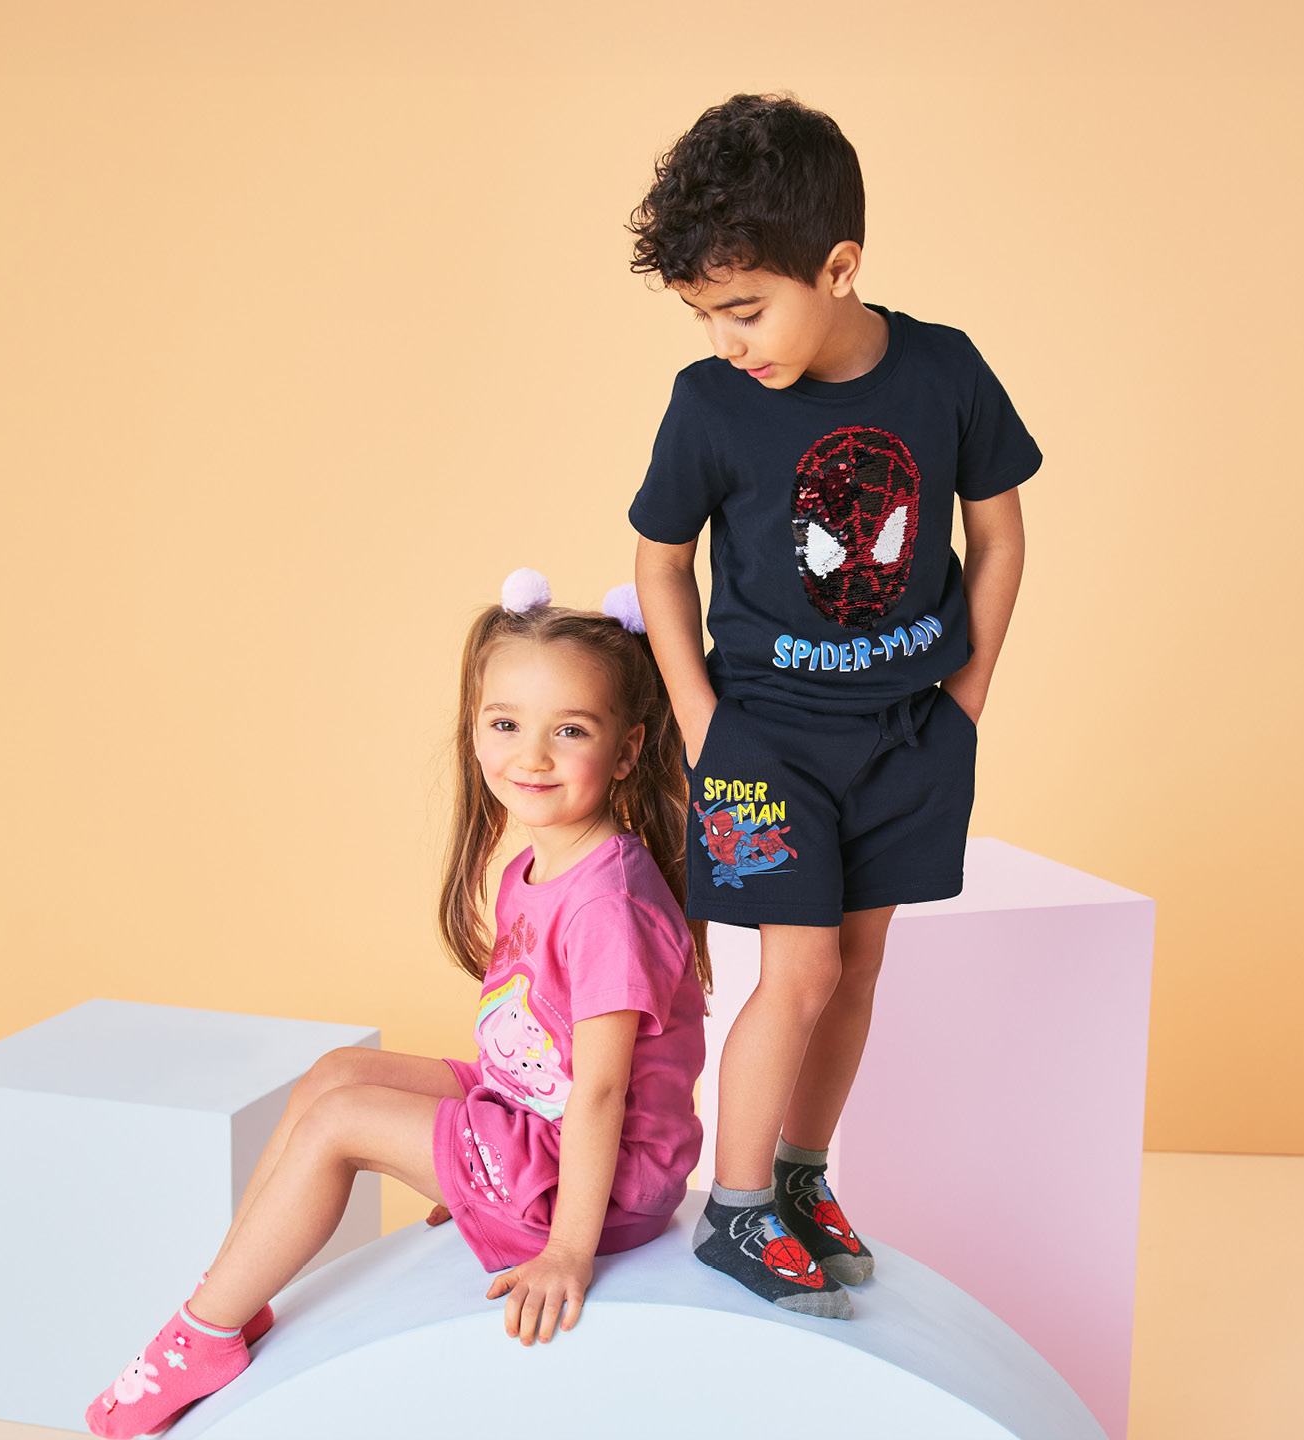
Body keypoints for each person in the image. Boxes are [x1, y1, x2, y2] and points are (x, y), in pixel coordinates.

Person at [85, 571, 709, 1438]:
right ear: (476, 730)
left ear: (629, 749)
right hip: (531, 1114)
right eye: (506, 726)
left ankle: (201, 1334)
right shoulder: (539, 865)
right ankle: (234, 1291)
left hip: (597, 1187)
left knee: (344, 1124)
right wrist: (465, 1145)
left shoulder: (606, 902)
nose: (530, 757)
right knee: (336, 1076)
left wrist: (566, 1251)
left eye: (570, 731)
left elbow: (603, 1093)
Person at [627, 94, 1038, 1317]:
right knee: (795, 971)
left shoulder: (946, 371)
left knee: (857, 971)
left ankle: (801, 1181)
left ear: (839, 265)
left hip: (908, 736)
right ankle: (736, 1210)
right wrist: (706, 729)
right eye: (705, 315)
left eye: (745, 309)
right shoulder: (710, 405)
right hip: (763, 747)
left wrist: (964, 701)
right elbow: (661, 560)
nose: (726, 338)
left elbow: (1000, 535)